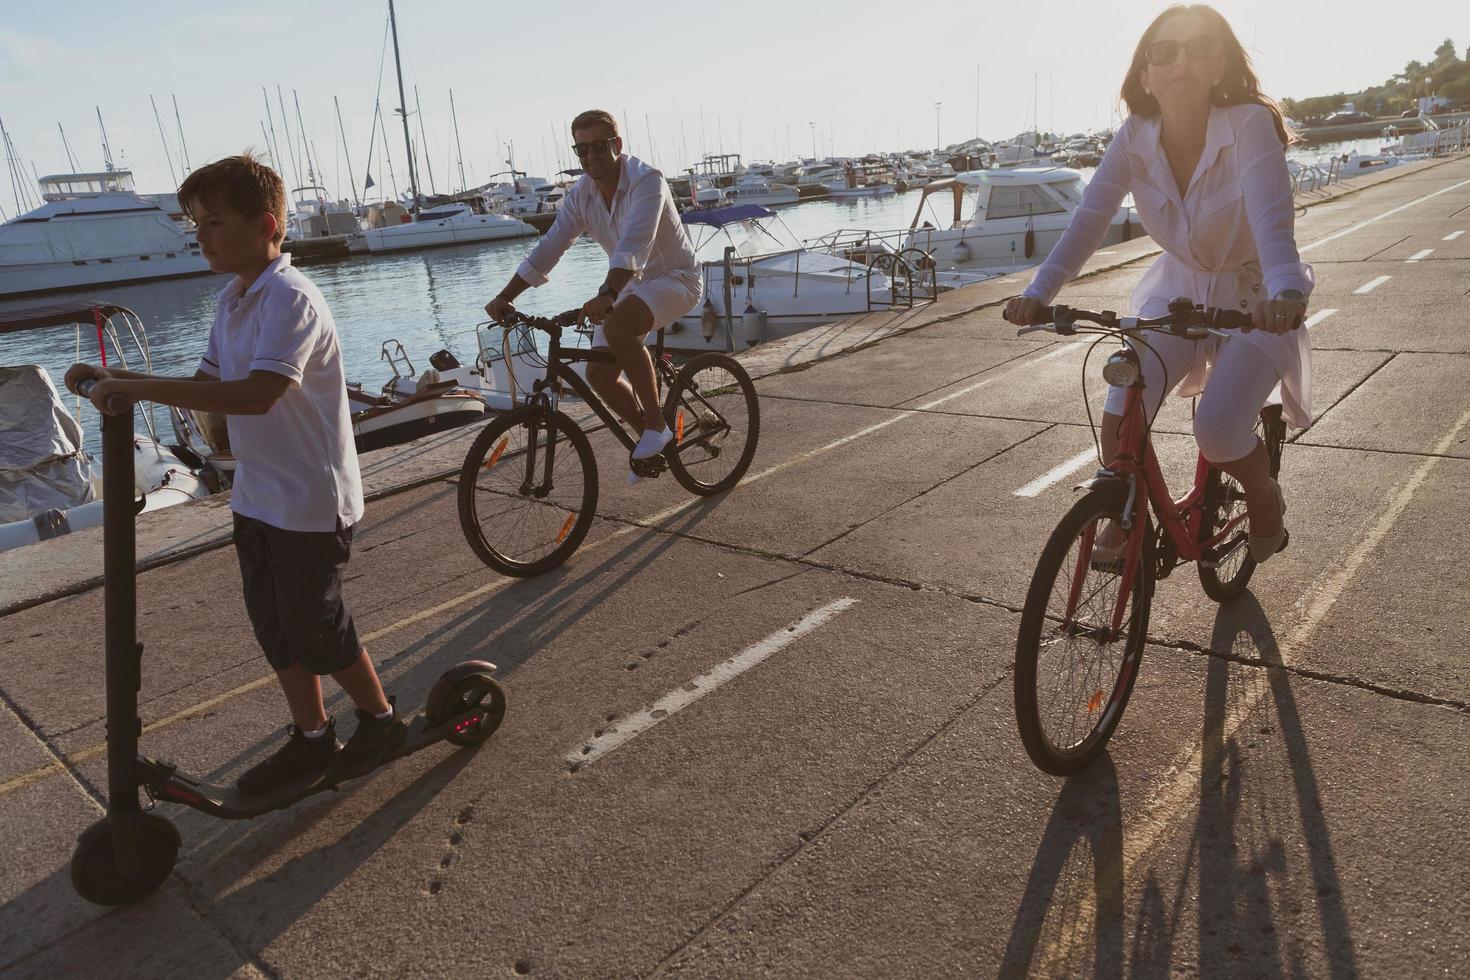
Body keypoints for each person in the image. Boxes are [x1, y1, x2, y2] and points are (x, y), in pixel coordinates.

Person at [65, 153, 404, 792]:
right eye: (196, 225)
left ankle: (381, 720)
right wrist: (117, 382)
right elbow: (204, 385)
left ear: (266, 224)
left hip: (308, 499)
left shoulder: (292, 297)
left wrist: (131, 388)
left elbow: (256, 394)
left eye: (215, 223)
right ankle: (312, 738)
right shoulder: (234, 299)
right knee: (275, 626)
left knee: (318, 628)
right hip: (258, 494)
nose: (203, 237)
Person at [1003, 3, 1311, 563]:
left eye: (1199, 49)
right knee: (1122, 407)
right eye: (1164, 53)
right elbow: (1089, 220)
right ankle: (1123, 507)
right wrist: (1038, 294)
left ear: (1219, 64)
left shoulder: (1248, 123)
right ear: (1145, 73)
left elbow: (1272, 218)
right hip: (1177, 290)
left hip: (1254, 295)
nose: (1181, 63)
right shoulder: (1134, 136)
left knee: (1218, 433)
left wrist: (1287, 292)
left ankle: (1266, 500)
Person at [484, 110, 701, 483]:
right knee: (598, 373)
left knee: (618, 326)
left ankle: (654, 424)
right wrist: (506, 296)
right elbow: (551, 246)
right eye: (581, 149)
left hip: (675, 279)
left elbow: (635, 244)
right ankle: (654, 436)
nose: (589, 157)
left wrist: (607, 293)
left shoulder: (647, 181)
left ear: (616, 145)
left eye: (598, 147)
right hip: (629, 286)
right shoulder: (581, 194)